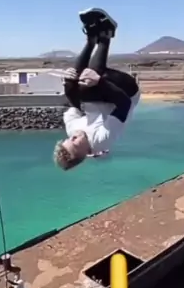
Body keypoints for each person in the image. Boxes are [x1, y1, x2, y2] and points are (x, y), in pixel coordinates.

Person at [53, 9, 140, 170]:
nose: (73, 137)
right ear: (84, 153)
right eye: (75, 143)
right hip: (127, 93)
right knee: (91, 80)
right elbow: (124, 104)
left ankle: (91, 39)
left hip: (101, 95)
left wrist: (68, 80)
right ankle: (106, 34)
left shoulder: (72, 130)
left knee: (73, 84)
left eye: (69, 139)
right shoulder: (100, 141)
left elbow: (73, 104)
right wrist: (100, 82)